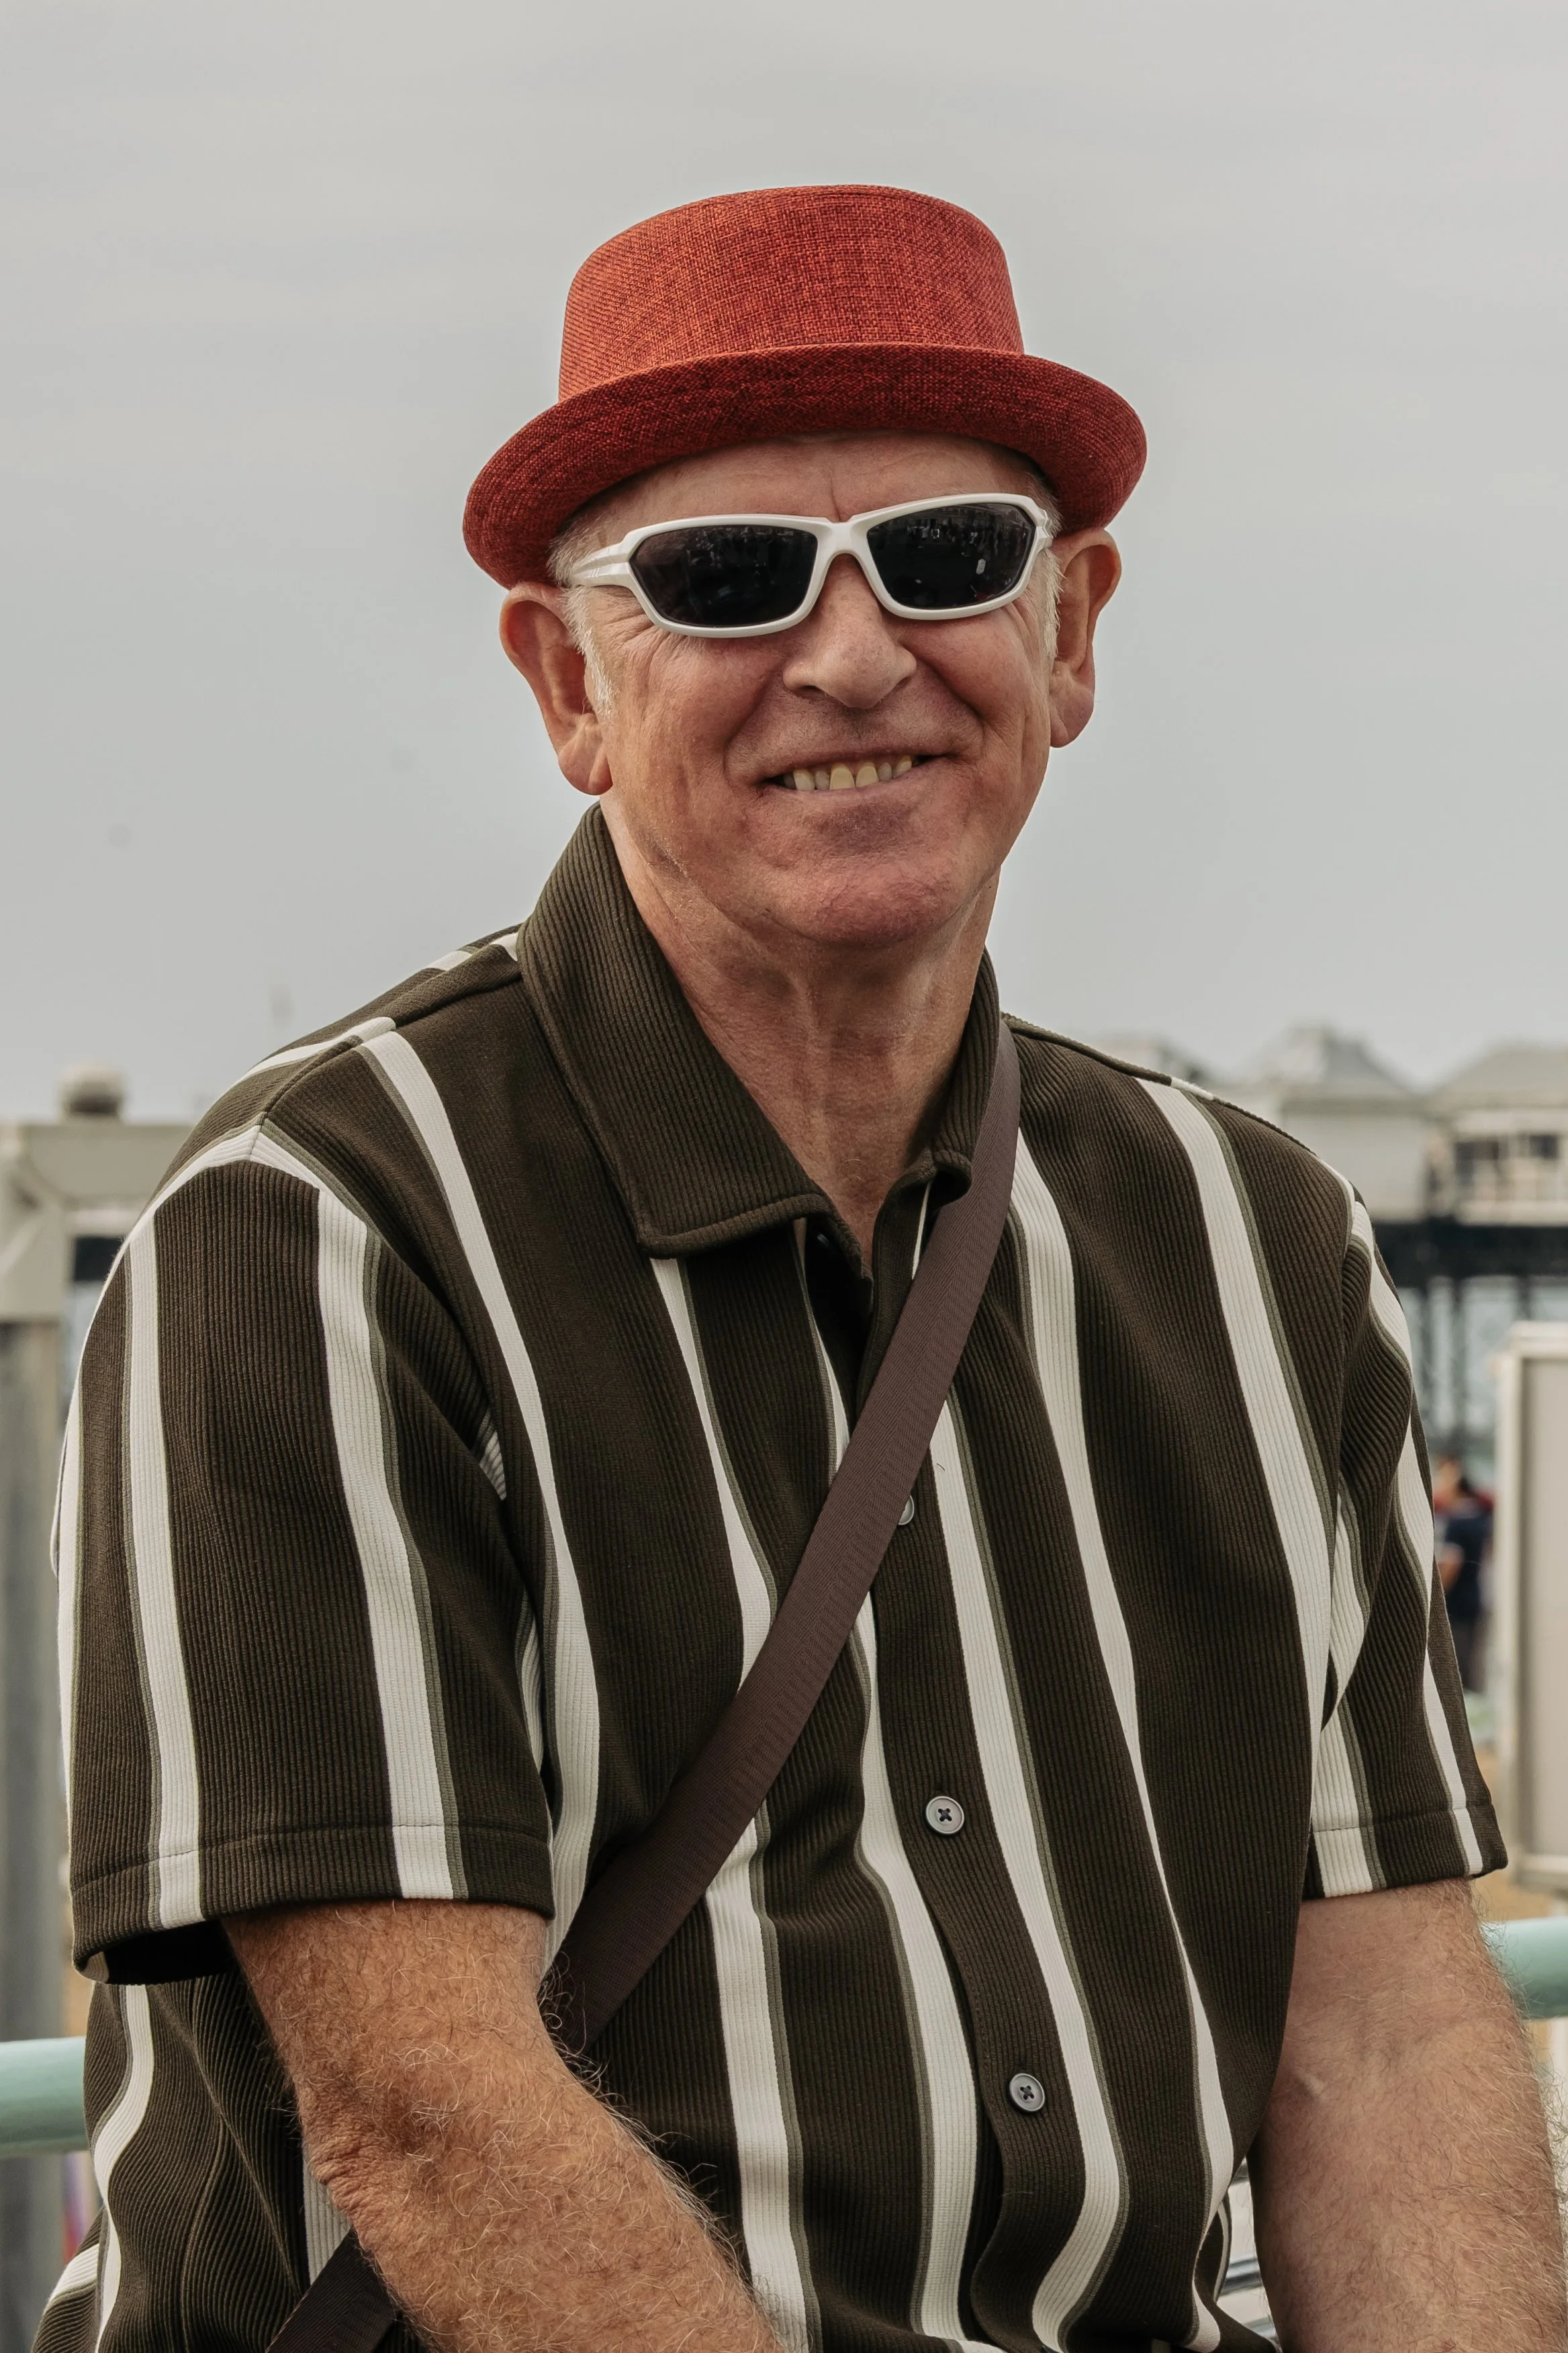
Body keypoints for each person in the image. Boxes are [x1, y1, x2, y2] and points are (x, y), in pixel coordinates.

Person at [46, 186, 1565, 2353]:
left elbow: (1392, 2032)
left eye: (947, 556)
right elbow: (428, 2112)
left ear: (1072, 633)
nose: (853, 658)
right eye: (727, 578)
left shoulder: (1252, 1241)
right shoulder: (315, 1230)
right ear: (569, 679)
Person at [1433, 1454, 1493, 1693]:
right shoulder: (1479, 1516)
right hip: (1476, 1601)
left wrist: (1433, 1602)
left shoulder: (1456, 1522)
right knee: (1471, 1669)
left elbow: (1450, 1565)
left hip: (1456, 1607)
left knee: (1454, 1673)